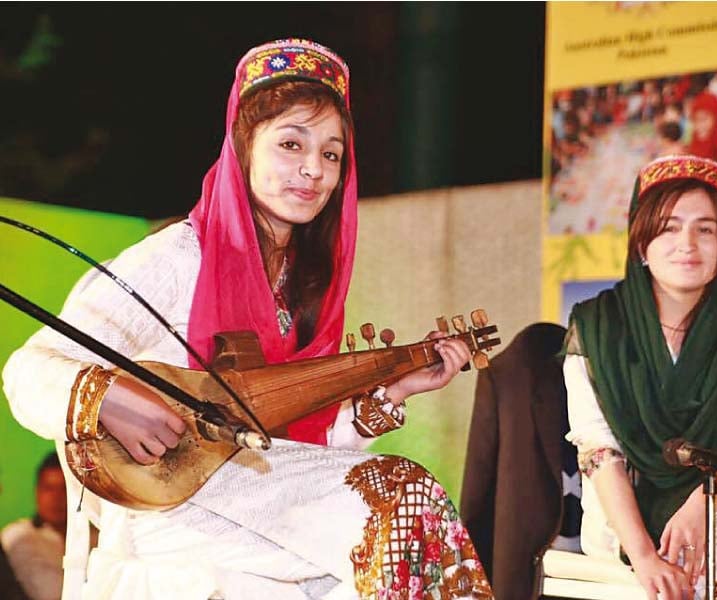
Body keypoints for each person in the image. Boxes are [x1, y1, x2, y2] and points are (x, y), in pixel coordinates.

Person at [3, 39, 491, 600]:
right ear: (243, 148)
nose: (314, 170)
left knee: (391, 540)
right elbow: (27, 369)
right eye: (291, 144)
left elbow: (289, 446)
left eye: (332, 154)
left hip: (256, 498)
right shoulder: (179, 257)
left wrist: (388, 395)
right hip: (177, 509)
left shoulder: (301, 284)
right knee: (402, 495)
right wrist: (111, 398)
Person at [563, 154, 717, 600]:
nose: (687, 243)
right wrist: (647, 557)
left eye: (705, 229)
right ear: (641, 243)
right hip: (627, 525)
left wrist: (701, 510)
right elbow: (599, 452)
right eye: (670, 227)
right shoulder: (595, 326)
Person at [0, 451, 66, 600]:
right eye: (49, 488)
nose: (56, 498)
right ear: (37, 491)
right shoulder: (17, 536)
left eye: (64, 489)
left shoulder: (102, 539)